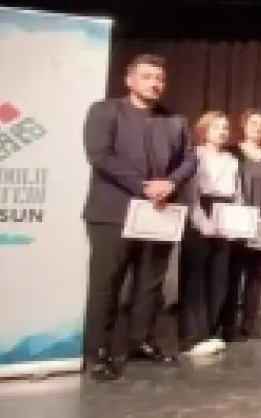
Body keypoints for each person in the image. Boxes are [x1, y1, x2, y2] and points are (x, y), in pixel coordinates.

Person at [81, 53, 196, 381]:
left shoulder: (174, 120)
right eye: (147, 77)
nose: (155, 83)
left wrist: (170, 183)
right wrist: (142, 186)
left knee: (150, 283)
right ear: (129, 80)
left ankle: (141, 341)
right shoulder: (105, 111)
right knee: (107, 283)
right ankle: (97, 352)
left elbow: (190, 160)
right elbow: (100, 155)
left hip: (158, 212)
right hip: (113, 212)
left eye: (159, 78)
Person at [178, 111, 240, 357]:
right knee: (196, 277)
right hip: (200, 211)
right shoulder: (195, 156)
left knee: (219, 276)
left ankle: (210, 330)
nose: (223, 132)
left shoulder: (232, 159)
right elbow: (190, 194)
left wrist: (236, 221)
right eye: (217, 127)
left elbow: (237, 193)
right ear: (205, 130)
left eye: (225, 128)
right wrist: (201, 222)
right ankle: (192, 336)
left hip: (224, 212)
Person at [225, 109, 261, 340]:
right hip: (239, 220)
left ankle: (249, 322)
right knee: (234, 273)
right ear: (244, 126)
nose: (259, 128)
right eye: (254, 123)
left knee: (257, 274)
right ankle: (229, 324)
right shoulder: (233, 153)